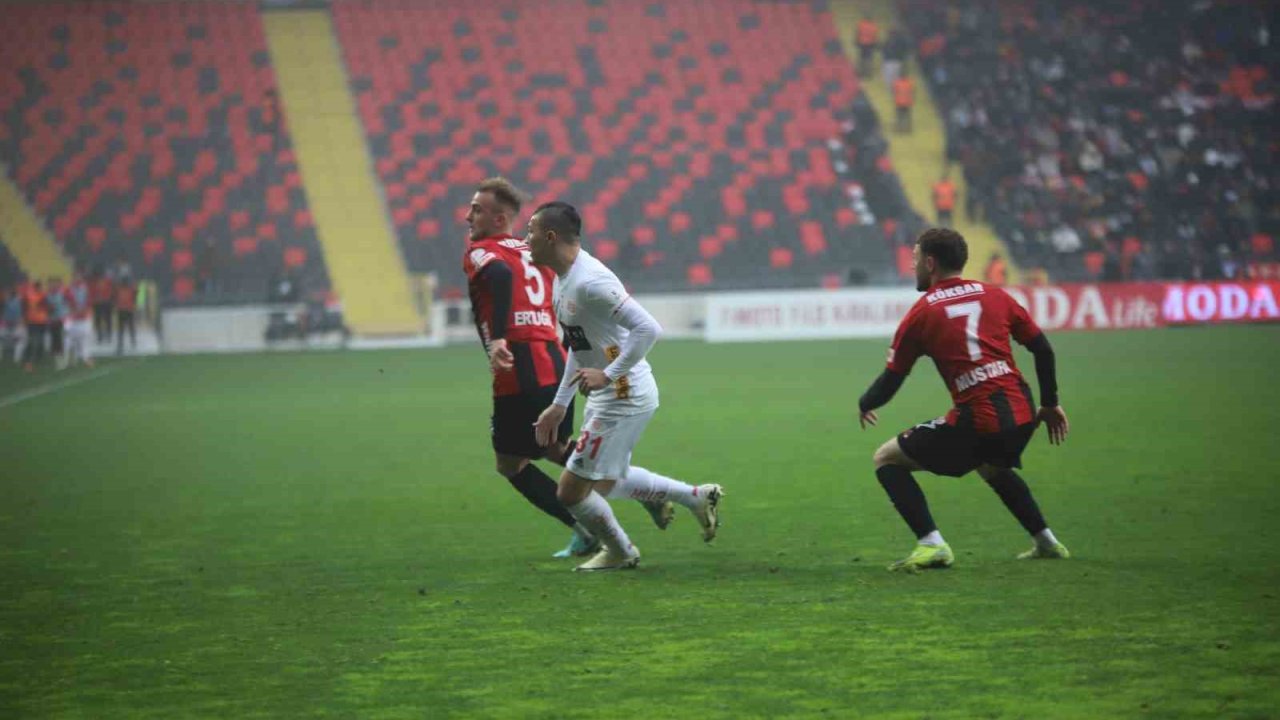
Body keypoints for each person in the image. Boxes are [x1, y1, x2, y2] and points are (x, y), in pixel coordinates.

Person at [463, 179, 675, 559]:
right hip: (557, 358)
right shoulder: (546, 262)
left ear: (500, 217)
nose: (468, 216)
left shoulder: (484, 252)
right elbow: (571, 319)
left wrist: (496, 338)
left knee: (511, 462)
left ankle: (591, 532)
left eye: (476, 209)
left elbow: (498, 277)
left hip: (521, 361)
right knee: (559, 449)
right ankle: (645, 496)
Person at [857, 228, 1070, 571]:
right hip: (1022, 412)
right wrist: (1049, 403)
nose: (913, 268)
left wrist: (866, 402)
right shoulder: (996, 295)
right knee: (991, 465)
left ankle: (932, 544)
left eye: (915, 261)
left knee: (886, 458)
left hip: (979, 418)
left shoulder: (922, 313)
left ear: (930, 263)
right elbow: (1042, 348)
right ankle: (1046, 541)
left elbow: (893, 379)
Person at [529, 201, 724, 572]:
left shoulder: (591, 282)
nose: (527, 240)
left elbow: (648, 328)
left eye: (531, 231)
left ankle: (621, 551)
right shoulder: (563, 278)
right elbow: (580, 345)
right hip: (611, 394)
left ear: (550, 236)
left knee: (573, 491)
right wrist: (559, 403)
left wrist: (609, 374)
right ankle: (696, 497)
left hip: (623, 396)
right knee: (603, 482)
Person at [65, 272, 94, 368]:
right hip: (73, 318)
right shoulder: (69, 289)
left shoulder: (86, 288)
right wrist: (74, 310)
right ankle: (71, 359)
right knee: (71, 340)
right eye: (75, 277)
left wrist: (84, 310)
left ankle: (86, 359)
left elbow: (89, 301)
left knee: (86, 338)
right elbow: (68, 302)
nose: (77, 279)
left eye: (79, 277)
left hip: (84, 317)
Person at [22, 279, 49, 372]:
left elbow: (46, 306)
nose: (39, 288)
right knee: (34, 342)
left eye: (39, 287)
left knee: (40, 341)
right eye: (38, 287)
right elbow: (24, 306)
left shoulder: (43, 295)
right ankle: (29, 363)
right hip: (32, 322)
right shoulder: (30, 295)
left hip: (42, 321)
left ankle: (37, 359)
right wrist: (25, 318)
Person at [45, 277, 68, 369]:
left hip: (60, 320)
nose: (51, 286)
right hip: (51, 320)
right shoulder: (47, 296)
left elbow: (66, 305)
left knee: (59, 339)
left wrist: (64, 315)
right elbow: (47, 308)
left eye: (53, 285)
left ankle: (62, 361)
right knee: (54, 340)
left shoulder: (61, 294)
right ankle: (56, 361)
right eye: (50, 285)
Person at [90, 268, 114, 344]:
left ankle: (108, 335)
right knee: (98, 320)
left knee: (107, 319)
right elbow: (91, 293)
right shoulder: (93, 282)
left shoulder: (108, 281)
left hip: (106, 303)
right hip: (98, 304)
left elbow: (111, 291)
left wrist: (109, 299)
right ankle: (100, 336)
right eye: (97, 275)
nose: (98, 277)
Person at [115, 275, 137, 356]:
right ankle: (122, 344)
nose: (124, 283)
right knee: (123, 328)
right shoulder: (120, 289)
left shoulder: (130, 288)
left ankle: (132, 340)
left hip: (127, 309)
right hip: (123, 310)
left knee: (129, 327)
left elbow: (135, 295)